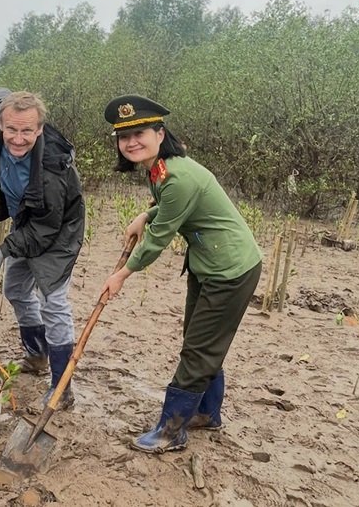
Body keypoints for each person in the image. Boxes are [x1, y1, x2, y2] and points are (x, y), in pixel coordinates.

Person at [100, 95, 263, 454]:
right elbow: (168, 207)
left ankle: (171, 432)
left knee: (198, 350)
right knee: (199, 342)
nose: (131, 143)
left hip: (230, 270)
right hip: (209, 264)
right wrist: (146, 214)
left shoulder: (177, 175)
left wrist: (121, 276)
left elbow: (158, 240)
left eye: (139, 133)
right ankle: (206, 413)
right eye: (123, 137)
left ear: (160, 132)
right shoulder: (163, 167)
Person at [0, 90, 85, 410]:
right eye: (11, 129)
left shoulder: (54, 168)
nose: (18, 138)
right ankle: (37, 353)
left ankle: (61, 388)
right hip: (26, 224)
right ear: (0, 123)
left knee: (53, 302)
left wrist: (3, 251)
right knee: (15, 288)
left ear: (40, 129)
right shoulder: (1, 137)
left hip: (56, 233)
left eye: (27, 131)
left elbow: (46, 227)